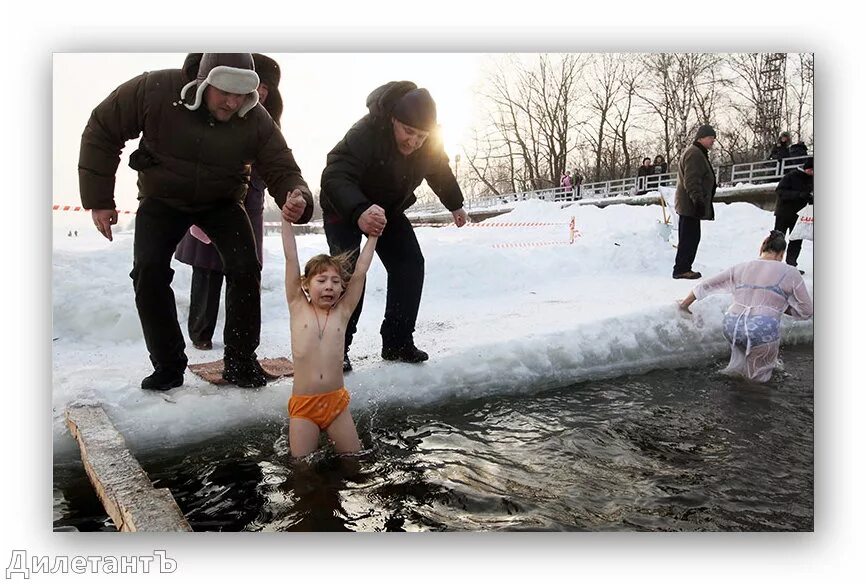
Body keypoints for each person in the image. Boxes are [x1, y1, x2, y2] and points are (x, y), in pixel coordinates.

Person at [78, 53, 314, 391]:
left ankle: (241, 361)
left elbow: (283, 169)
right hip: (163, 199)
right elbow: (102, 128)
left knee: (246, 268)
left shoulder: (256, 117)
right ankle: (168, 365)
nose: (233, 102)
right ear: (204, 81)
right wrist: (100, 200)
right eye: (224, 92)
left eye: (241, 93)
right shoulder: (155, 90)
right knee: (149, 270)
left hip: (222, 202)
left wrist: (297, 196)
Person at [319, 81, 467, 372]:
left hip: (387, 209)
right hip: (344, 206)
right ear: (393, 120)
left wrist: (455, 203)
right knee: (349, 270)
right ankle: (337, 347)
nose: (413, 142)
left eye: (421, 136)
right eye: (408, 132)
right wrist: (359, 209)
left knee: (409, 264)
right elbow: (335, 174)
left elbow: (440, 171)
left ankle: (398, 342)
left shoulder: (428, 145)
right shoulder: (365, 132)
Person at [174, 53, 284, 351]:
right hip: (213, 198)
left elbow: (276, 162)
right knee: (207, 268)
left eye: (266, 89)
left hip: (251, 203)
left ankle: (242, 342)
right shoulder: (216, 112)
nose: (260, 93)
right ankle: (200, 333)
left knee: (246, 270)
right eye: (257, 86)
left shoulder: (267, 121)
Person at [281, 198, 378, 457]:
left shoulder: (342, 313)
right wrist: (286, 221)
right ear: (305, 285)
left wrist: (373, 237)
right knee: (302, 470)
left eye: (335, 281)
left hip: (336, 404)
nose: (329, 286)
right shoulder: (297, 305)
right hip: (304, 406)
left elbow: (360, 271)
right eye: (321, 280)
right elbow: (291, 258)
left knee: (354, 462)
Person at [678, 231, 813, 383]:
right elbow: (807, 310)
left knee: (738, 372)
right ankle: (750, 401)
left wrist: (684, 304)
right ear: (781, 254)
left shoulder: (741, 267)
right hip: (762, 327)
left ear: (762, 248)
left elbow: (707, 285)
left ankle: (732, 398)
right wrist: (783, 307)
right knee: (757, 380)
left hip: (732, 323)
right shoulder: (790, 272)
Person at [673, 124, 718, 279]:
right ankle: (681, 269)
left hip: (690, 204)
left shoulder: (698, 152)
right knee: (689, 238)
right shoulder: (694, 153)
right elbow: (692, 180)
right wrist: (698, 201)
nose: (713, 141)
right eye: (710, 137)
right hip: (690, 205)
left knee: (691, 237)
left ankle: (683, 267)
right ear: (701, 137)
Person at [774, 156, 813, 272]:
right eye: (812, 170)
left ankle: (791, 266)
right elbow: (780, 191)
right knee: (778, 238)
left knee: (796, 240)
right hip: (784, 213)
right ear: (807, 168)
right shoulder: (791, 176)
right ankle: (773, 264)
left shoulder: (813, 179)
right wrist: (798, 195)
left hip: (799, 216)